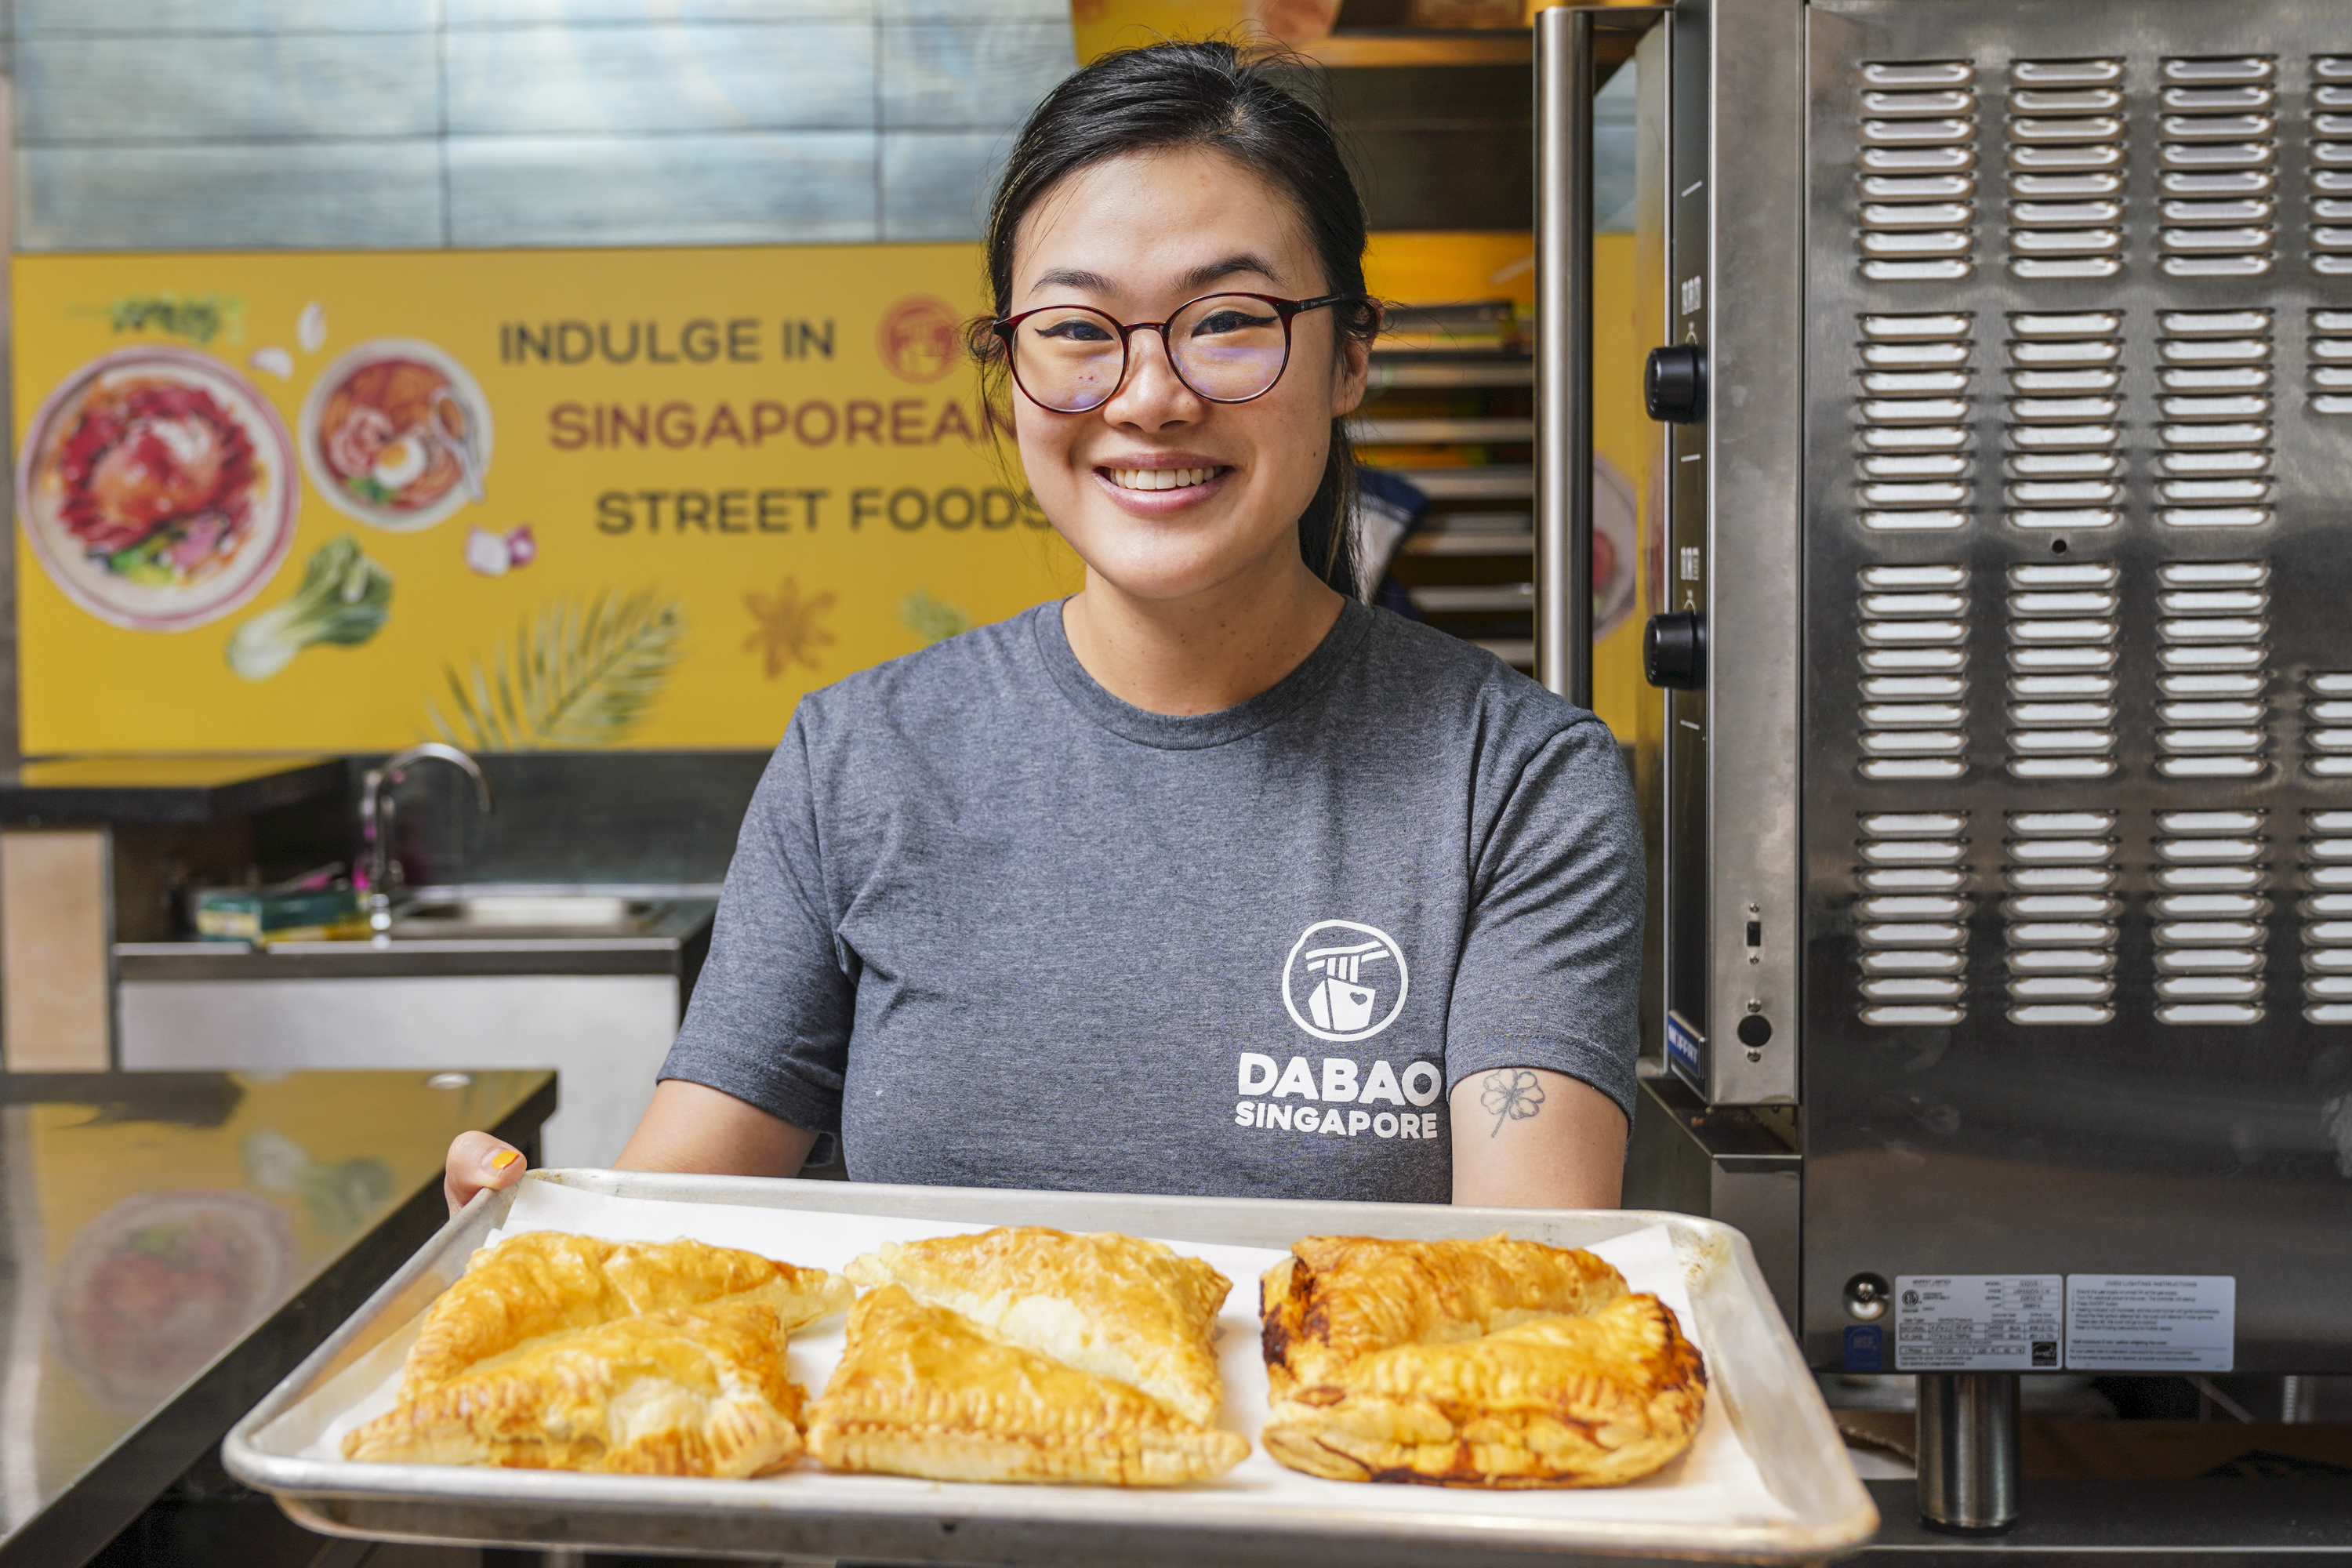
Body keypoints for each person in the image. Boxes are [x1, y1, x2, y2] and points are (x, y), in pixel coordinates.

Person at [446, 39, 1641, 1218]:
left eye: (1228, 318)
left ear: (1350, 358)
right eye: (1077, 329)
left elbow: (1532, 1285)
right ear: (1009, 370)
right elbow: (673, 1218)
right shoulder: (860, 756)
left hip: (1350, 1413)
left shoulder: (1518, 785)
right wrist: (543, 1248)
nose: (1151, 395)